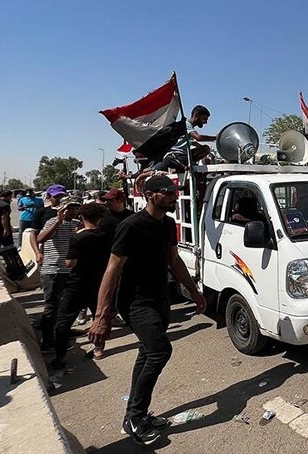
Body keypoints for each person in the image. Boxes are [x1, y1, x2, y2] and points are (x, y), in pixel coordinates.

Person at [88, 175, 206, 445]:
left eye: (176, 191)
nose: (174, 196)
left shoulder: (167, 224)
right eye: (168, 192)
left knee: (147, 352)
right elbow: (112, 269)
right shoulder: (131, 226)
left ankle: (135, 414)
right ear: (149, 195)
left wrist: (194, 291)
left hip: (160, 299)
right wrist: (101, 316)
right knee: (160, 351)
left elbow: (174, 261)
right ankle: (135, 417)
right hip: (135, 302)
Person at [50, 204, 111, 369]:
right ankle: (98, 349)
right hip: (99, 282)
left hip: (77, 284)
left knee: (63, 321)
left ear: (82, 217)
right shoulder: (106, 236)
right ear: (100, 218)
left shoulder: (78, 238)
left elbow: (70, 263)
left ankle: (60, 356)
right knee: (98, 317)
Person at [37, 196, 82, 352]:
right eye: (70, 208)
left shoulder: (77, 224)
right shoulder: (52, 222)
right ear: (61, 209)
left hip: (69, 270)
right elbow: (40, 238)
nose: (73, 211)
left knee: (65, 306)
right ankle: (47, 342)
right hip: (53, 270)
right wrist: (57, 221)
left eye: (76, 208)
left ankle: (63, 332)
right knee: (51, 307)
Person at [151, 105, 216, 171]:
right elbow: (198, 137)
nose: (205, 122)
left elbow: (194, 143)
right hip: (173, 156)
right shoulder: (186, 124)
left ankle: (188, 164)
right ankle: (185, 165)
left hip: (183, 156)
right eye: (204, 119)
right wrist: (216, 138)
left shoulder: (189, 131)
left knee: (205, 149)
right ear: (196, 115)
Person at [29, 184, 68, 266]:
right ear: (48, 197)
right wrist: (37, 252)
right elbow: (33, 234)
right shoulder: (41, 212)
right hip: (51, 260)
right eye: (57, 197)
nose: (60, 200)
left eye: (62, 197)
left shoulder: (74, 212)